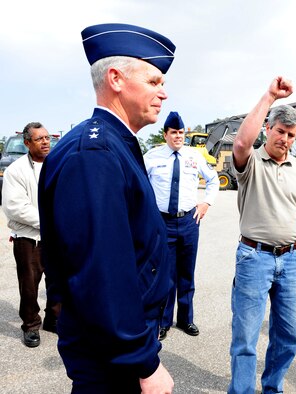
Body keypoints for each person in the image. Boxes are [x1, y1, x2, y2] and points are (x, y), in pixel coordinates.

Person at [38, 23, 176, 393]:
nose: (163, 93)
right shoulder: (95, 154)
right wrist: (144, 363)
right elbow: (102, 272)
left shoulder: (112, 143)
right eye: (153, 81)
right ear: (115, 78)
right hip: (111, 354)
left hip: (115, 340)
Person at [228, 77, 296, 394]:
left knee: (289, 335)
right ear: (268, 129)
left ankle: (272, 387)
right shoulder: (251, 162)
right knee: (246, 337)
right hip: (255, 258)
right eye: (280, 131)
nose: (285, 138)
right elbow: (240, 144)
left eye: (291, 134)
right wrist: (268, 96)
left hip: (293, 260)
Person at [144, 111, 219, 340]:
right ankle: (164, 321)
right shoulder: (152, 157)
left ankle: (186, 319)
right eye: (174, 133)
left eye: (181, 132)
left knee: (187, 272)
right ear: (165, 134)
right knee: (165, 274)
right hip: (162, 223)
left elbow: (213, 180)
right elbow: (141, 187)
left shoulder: (194, 156)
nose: (178, 136)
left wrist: (206, 203)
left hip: (188, 221)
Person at [2, 122, 60, 347]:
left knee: (57, 282)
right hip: (29, 238)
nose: (46, 142)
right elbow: (15, 207)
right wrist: (50, 222)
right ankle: (31, 325)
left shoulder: (57, 164)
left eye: (47, 138)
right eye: (39, 139)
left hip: (56, 237)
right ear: (27, 143)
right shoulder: (16, 169)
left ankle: (54, 320)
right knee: (29, 285)